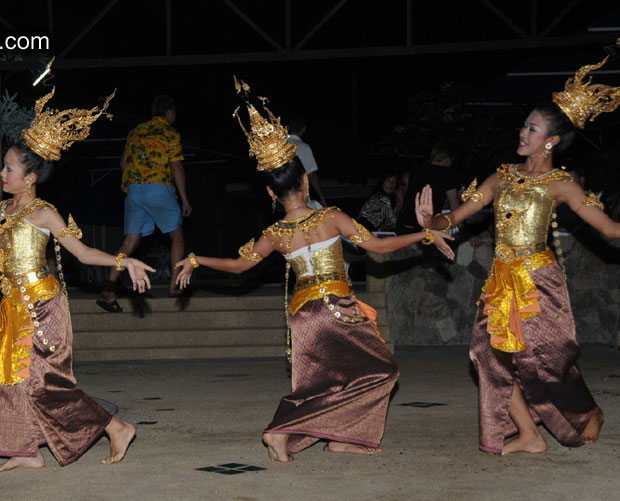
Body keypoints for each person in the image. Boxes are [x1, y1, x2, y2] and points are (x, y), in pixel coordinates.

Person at [174, 78, 455, 463]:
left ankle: (341, 437)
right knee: (383, 371)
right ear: (305, 180)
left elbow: (239, 267)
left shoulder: (275, 233)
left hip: (303, 313)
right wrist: (423, 234)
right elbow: (378, 246)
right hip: (338, 307)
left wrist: (196, 258)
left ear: (270, 194)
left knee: (329, 382)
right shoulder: (332, 217)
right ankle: (280, 431)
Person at [414, 41, 620, 455]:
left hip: (540, 281)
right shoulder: (500, 177)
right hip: (501, 281)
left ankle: (587, 412)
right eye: (523, 126)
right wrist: (430, 223)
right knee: (487, 355)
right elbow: (456, 217)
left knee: (547, 360)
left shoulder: (562, 184)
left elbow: (610, 228)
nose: (521, 134)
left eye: (531, 129)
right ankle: (529, 434)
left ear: (551, 141)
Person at [0, 87, 152, 470]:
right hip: (12, 305)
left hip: (42, 304)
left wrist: (126, 262)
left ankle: (115, 427)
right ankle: (26, 451)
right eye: (4, 167)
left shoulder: (44, 213)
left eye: (9, 168)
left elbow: (83, 252)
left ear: (31, 177)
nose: (2, 173)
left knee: (44, 383)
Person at [98, 94, 191, 311]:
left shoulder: (136, 131)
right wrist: (185, 199)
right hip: (159, 187)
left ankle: (109, 287)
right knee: (176, 237)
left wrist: (131, 187)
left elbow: (123, 163)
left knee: (129, 242)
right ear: (170, 112)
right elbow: (176, 167)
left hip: (134, 189)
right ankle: (174, 286)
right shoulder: (170, 132)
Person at [396, 145, 461, 233]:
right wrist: (466, 232)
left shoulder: (416, 171)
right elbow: (455, 206)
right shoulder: (447, 174)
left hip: (406, 222)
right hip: (425, 225)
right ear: (448, 159)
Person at [286, 114, 328, 208]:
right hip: (298, 196)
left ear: (288, 127)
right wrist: (321, 196)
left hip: (280, 193)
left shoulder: (278, 146)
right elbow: (312, 175)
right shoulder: (303, 148)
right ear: (304, 129)